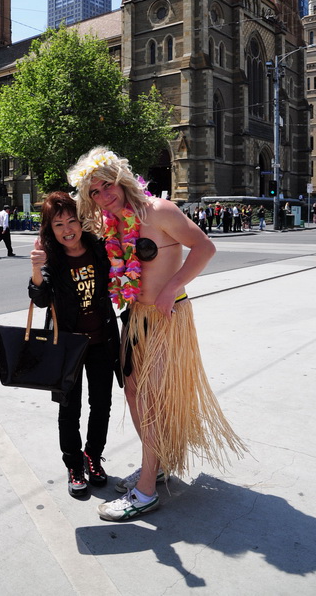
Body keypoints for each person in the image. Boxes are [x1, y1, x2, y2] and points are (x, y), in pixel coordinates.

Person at [68, 147, 246, 522]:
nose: (103, 195)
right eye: (94, 192)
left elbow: (205, 247)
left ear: (121, 179)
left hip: (167, 317)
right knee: (133, 392)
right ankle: (158, 464)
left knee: (152, 400)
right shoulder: (112, 224)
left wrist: (172, 287)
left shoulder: (159, 211)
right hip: (135, 318)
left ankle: (146, 492)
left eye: (107, 185)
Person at [28, 192, 121, 498]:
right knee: (69, 408)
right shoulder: (51, 258)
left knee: (102, 404)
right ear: (50, 229)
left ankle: (93, 456)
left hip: (101, 340)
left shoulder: (98, 248)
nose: (67, 229)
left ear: (80, 222)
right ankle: (73, 465)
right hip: (67, 346)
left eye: (71, 221)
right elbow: (41, 299)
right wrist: (36, 269)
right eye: (59, 224)